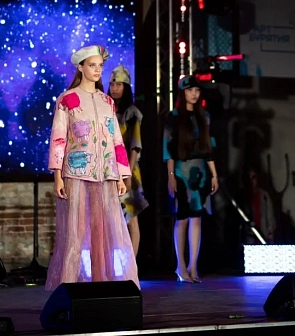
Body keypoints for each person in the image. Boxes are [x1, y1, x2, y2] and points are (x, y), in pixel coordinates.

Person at [45, 45, 140, 290]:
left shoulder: (106, 101)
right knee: (75, 232)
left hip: (105, 175)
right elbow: (58, 138)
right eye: (92, 65)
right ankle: (69, 287)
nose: (97, 70)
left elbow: (116, 140)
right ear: (81, 67)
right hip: (76, 173)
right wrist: (57, 176)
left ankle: (101, 285)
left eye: (100, 66)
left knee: (102, 233)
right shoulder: (67, 99)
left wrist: (121, 175)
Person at [163, 74, 219, 283]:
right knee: (182, 218)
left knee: (197, 218)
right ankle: (180, 266)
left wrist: (214, 174)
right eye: (190, 90)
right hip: (181, 171)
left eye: (197, 90)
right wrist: (170, 175)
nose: (194, 94)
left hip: (201, 172)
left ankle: (193, 266)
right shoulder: (174, 116)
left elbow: (209, 147)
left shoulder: (204, 117)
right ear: (182, 92)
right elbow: (168, 148)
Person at [108, 65, 148, 257]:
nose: (115, 88)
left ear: (126, 87)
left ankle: (131, 266)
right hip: (109, 170)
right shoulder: (106, 110)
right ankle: (114, 263)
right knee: (111, 219)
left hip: (127, 170)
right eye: (112, 84)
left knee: (131, 218)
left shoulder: (132, 113)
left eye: (119, 84)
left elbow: (135, 146)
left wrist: (128, 173)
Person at [241, 168, 276, 244]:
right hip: (250, 238)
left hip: (264, 236)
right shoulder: (244, 197)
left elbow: (270, 217)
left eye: (253, 177)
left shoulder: (264, 195)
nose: (252, 181)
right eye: (249, 178)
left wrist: (270, 235)